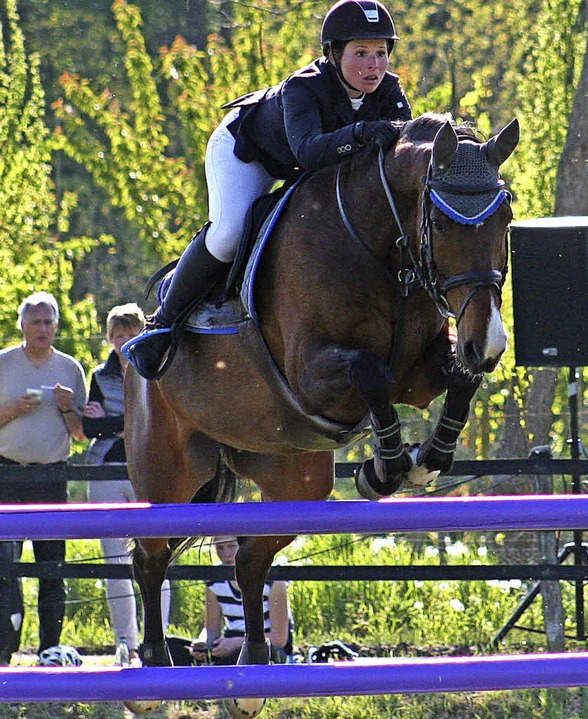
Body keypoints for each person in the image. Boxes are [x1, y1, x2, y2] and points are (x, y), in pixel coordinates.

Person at [125, 0, 412, 380]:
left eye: (380, 53)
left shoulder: (389, 91)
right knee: (230, 232)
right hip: (246, 153)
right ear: (332, 53)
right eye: (361, 54)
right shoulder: (302, 88)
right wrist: (359, 133)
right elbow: (308, 152)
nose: (373, 66)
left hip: (299, 166)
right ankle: (161, 326)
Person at [0, 291, 87, 664]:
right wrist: (13, 410)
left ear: (56, 326)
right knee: (5, 568)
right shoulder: (3, 363)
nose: (42, 329)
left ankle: (50, 648)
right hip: (6, 473)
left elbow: (82, 434)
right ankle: (6, 648)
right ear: (22, 325)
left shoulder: (71, 369)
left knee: (53, 567)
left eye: (48, 322)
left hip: (52, 476)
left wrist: (68, 407)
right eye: (35, 321)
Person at [82, 303, 170, 664]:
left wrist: (115, 422)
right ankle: (126, 643)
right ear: (109, 338)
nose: (124, 342)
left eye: (130, 334)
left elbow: (159, 423)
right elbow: (90, 429)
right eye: (117, 335)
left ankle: (157, 639)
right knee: (115, 564)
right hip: (106, 471)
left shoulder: (156, 369)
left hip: (147, 473)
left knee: (157, 558)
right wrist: (122, 423)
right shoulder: (99, 376)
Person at [188, 536, 294, 665]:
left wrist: (236, 643)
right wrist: (202, 644)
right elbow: (212, 629)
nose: (226, 554)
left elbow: (279, 639)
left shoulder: (274, 580)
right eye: (220, 548)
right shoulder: (215, 579)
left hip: (267, 644)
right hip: (229, 641)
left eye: (232, 547)